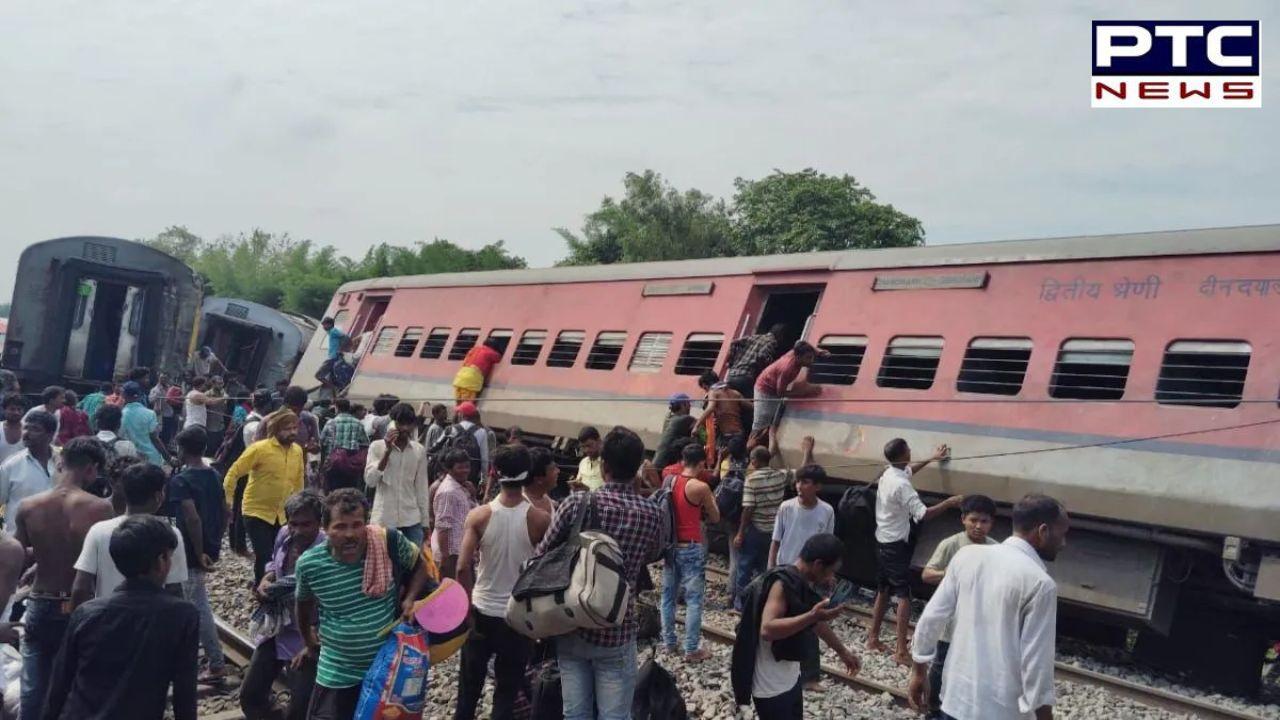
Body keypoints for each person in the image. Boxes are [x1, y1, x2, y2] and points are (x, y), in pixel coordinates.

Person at [534, 426, 663, 720]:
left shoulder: (576, 503)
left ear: (604, 467)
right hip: (617, 627)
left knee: (575, 713)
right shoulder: (651, 512)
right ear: (638, 469)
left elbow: (541, 555)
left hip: (572, 621)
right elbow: (653, 553)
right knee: (615, 716)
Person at [909, 495, 1068, 720]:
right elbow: (1037, 665)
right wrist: (1044, 716)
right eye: (1062, 534)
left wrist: (918, 672)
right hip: (1002, 712)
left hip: (955, 702)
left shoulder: (966, 556)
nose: (1063, 543)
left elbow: (931, 618)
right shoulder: (1040, 584)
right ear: (1042, 531)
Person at [295, 488, 435, 720]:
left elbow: (420, 565)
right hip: (337, 670)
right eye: (340, 526)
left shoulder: (386, 542)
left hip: (386, 669)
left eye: (357, 524)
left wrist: (410, 598)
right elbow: (302, 605)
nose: (350, 534)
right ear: (326, 529)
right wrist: (309, 641)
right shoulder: (309, 565)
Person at [44, 515, 199, 720]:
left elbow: (59, 685)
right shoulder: (183, 615)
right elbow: (184, 693)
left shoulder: (86, 613)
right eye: (169, 557)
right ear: (161, 561)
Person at [12, 437, 114, 720]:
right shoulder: (100, 509)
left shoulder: (28, 506)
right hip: (80, 604)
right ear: (92, 469)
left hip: (40, 602)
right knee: (76, 686)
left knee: (33, 687)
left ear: (59, 462)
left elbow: (17, 555)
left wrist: (42, 557)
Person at [455, 444, 551, 720]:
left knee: (468, 690)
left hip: (482, 611)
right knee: (506, 693)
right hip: (518, 617)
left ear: (495, 473)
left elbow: (462, 566)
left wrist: (466, 610)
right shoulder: (540, 520)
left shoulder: (479, 516)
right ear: (528, 474)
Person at [731, 533, 861, 719]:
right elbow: (768, 629)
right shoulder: (782, 584)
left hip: (790, 678)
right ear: (817, 565)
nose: (831, 577)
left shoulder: (800, 582)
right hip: (771, 686)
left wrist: (843, 652)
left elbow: (817, 623)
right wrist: (810, 616)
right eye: (831, 570)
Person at [868, 437, 964, 665]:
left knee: (883, 589)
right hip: (895, 545)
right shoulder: (902, 485)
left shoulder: (889, 473)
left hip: (881, 538)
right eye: (908, 449)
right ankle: (901, 651)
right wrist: (950, 503)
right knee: (904, 596)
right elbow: (923, 514)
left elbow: (909, 470)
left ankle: (872, 638)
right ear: (903, 455)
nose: (910, 451)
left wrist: (932, 458)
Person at [240, 490, 324, 720]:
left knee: (300, 711)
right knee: (250, 696)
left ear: (319, 522)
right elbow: (273, 563)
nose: (298, 530)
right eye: (293, 523)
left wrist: (312, 643)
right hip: (278, 627)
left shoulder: (327, 550)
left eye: (306, 524)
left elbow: (334, 604)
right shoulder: (284, 535)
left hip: (309, 636)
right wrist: (267, 578)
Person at [919, 494, 1000, 719]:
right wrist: (954, 573)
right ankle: (933, 707)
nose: (978, 526)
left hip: (979, 620)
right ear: (963, 519)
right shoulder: (951, 544)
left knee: (971, 666)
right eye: (973, 520)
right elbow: (927, 574)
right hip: (951, 621)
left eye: (984, 521)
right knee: (941, 665)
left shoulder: (996, 549)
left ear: (991, 523)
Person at [72, 462, 189, 606]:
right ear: (159, 496)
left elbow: (80, 588)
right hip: (154, 622)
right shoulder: (170, 533)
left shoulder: (98, 530)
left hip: (108, 620)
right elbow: (174, 590)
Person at [167, 426, 228, 682]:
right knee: (192, 600)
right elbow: (227, 512)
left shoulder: (181, 480)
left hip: (192, 550)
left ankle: (215, 663)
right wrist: (215, 542)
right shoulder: (214, 474)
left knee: (197, 606)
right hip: (208, 546)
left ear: (181, 449)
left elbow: (191, 518)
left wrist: (200, 550)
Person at [767, 461, 835, 689]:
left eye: (805, 482)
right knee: (780, 621)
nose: (798, 486)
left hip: (812, 576)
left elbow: (828, 544)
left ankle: (810, 676)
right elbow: (775, 540)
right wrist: (771, 569)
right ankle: (779, 666)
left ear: (817, 486)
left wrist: (828, 573)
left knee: (811, 623)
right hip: (786, 571)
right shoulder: (786, 507)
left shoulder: (826, 511)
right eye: (797, 481)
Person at [734, 430, 814, 610]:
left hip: (755, 529)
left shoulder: (751, 479)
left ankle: (741, 603)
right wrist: (807, 452)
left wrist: (740, 533)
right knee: (766, 568)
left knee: (745, 566)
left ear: (754, 461)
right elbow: (801, 472)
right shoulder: (779, 475)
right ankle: (762, 600)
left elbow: (748, 508)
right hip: (774, 530)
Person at [226, 410, 306, 582]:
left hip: (283, 513)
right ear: (276, 429)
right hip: (256, 511)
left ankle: (275, 588)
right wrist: (228, 501)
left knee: (280, 553)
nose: (292, 432)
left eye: (294, 428)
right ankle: (261, 590)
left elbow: (299, 481)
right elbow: (234, 472)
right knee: (264, 554)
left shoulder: (297, 451)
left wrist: (300, 508)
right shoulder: (259, 449)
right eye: (287, 428)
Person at [660, 443, 720, 663]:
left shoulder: (669, 479)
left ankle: (668, 643)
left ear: (682, 460)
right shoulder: (700, 487)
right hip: (691, 546)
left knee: (667, 597)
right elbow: (715, 518)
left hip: (670, 546)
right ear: (702, 463)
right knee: (694, 599)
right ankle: (691, 649)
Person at [364, 403, 430, 547]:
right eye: (401, 423)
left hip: (411, 520)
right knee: (384, 566)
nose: (405, 428)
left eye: (409, 424)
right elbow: (370, 481)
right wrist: (387, 451)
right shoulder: (377, 447)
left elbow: (422, 488)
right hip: (384, 519)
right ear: (392, 423)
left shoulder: (418, 451)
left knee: (413, 566)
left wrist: (425, 522)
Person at [0, 410, 59, 532]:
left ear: (50, 435)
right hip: (18, 540)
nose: (26, 433)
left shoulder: (64, 462)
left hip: (55, 539)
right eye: (25, 428)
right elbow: (0, 505)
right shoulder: (10, 466)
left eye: (35, 429)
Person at [753, 341, 828, 432]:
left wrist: (818, 351)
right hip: (765, 390)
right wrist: (804, 392)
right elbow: (780, 393)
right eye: (808, 358)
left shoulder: (796, 351)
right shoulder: (787, 369)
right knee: (762, 421)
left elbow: (802, 343)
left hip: (774, 386)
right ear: (798, 357)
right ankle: (751, 444)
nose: (812, 361)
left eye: (812, 357)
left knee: (772, 417)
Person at [431, 449, 477, 580]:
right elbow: (442, 525)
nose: (465, 470)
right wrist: (445, 558)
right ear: (449, 469)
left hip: (461, 550)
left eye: (467, 466)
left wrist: (472, 495)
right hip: (452, 554)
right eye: (460, 467)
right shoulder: (448, 491)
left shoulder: (462, 487)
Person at [725, 324, 787, 400]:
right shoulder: (772, 342)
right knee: (755, 402)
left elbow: (733, 343)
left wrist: (731, 361)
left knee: (734, 402)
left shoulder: (754, 337)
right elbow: (762, 356)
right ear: (780, 335)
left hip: (731, 375)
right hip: (746, 377)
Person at [696, 370, 748, 455]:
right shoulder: (735, 393)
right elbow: (751, 406)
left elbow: (710, 408)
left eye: (705, 389)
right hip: (739, 434)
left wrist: (696, 426)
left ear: (706, 386)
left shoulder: (713, 392)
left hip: (727, 436)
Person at [120, 381, 172, 467]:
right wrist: (168, 458)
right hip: (151, 460)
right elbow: (155, 439)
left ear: (123, 395)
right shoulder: (150, 413)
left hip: (129, 460)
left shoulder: (121, 414)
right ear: (139, 395)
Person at [652, 393, 697, 469]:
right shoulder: (685, 419)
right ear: (683, 405)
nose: (690, 406)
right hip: (666, 464)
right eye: (688, 403)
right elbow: (701, 423)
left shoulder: (668, 417)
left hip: (658, 462)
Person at [453, 337, 503, 403]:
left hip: (460, 377)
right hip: (471, 380)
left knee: (459, 404)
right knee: (467, 405)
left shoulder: (474, 349)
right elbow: (499, 358)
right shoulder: (491, 353)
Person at [315, 317, 349, 392]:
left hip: (333, 357)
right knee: (332, 377)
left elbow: (345, 337)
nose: (323, 327)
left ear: (330, 324)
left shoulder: (333, 331)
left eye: (324, 325)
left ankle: (335, 388)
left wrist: (340, 349)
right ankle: (338, 388)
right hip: (333, 357)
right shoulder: (331, 332)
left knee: (318, 376)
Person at [525, 446, 559, 514]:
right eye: (553, 469)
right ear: (539, 479)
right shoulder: (524, 509)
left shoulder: (543, 497)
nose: (558, 471)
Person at [569, 425, 603, 492]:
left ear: (599, 442)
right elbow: (578, 483)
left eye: (589, 446)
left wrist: (588, 490)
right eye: (583, 447)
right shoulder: (583, 462)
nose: (586, 450)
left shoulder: (607, 463)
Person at [149, 373, 180, 444]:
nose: (163, 380)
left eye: (165, 378)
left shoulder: (171, 389)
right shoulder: (155, 389)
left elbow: (176, 401)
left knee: (167, 433)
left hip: (169, 413)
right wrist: (158, 394)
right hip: (158, 414)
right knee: (157, 432)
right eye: (161, 378)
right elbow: (151, 400)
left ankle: (166, 446)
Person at [0, 394, 28, 466]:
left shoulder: (29, 430)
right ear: (4, 410)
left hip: (22, 475)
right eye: (12, 409)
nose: (16, 412)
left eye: (19, 409)